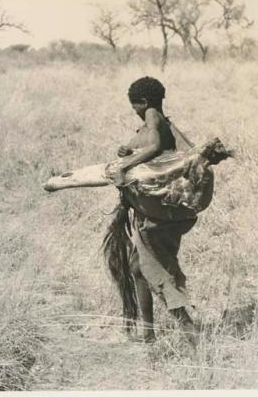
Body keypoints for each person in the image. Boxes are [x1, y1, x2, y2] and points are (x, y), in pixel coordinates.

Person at [108, 76, 198, 344]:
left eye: (135, 106)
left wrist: (123, 166)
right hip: (157, 213)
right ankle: (148, 332)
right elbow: (154, 152)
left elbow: (156, 147)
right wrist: (127, 151)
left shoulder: (154, 120)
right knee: (138, 268)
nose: (134, 111)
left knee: (158, 273)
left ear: (144, 102)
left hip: (157, 216)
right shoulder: (156, 123)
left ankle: (191, 333)